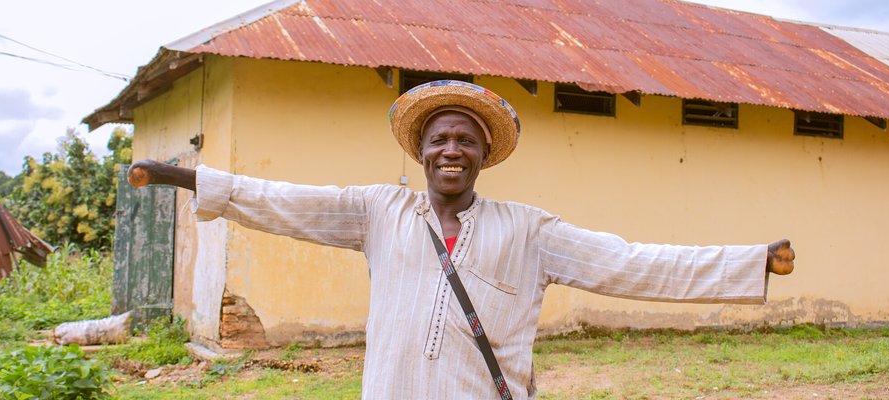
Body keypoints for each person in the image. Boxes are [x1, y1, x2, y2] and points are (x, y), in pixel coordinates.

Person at [128, 80, 795, 399]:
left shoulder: (530, 231)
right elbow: (276, 200)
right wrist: (175, 174)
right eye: (440, 138)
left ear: (483, 156)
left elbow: (630, 264)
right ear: (422, 150)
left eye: (466, 140)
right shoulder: (377, 212)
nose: (453, 149)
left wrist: (747, 261)